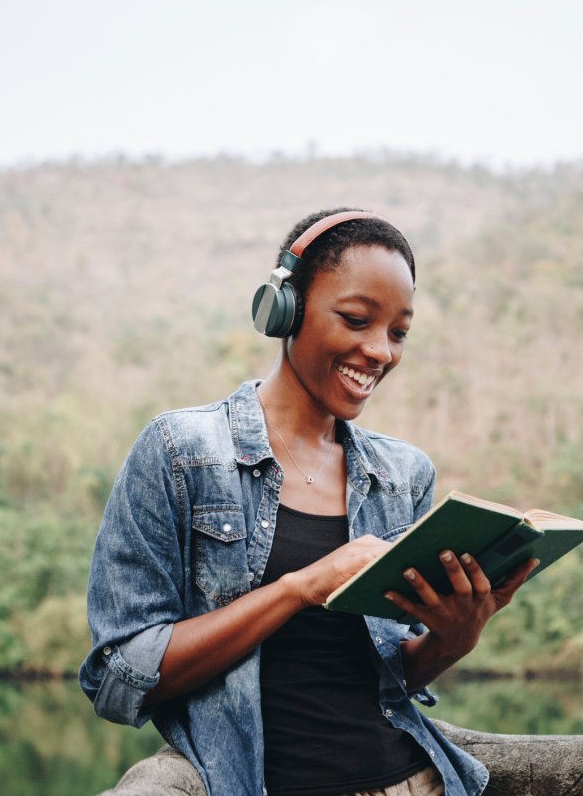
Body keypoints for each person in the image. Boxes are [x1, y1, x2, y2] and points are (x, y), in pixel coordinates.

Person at [80, 208, 538, 796]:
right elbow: (119, 674)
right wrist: (299, 589)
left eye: (399, 332)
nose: (380, 352)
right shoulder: (181, 452)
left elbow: (387, 675)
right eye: (355, 320)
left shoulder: (403, 475)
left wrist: (456, 638)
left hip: (412, 784)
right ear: (284, 309)